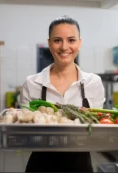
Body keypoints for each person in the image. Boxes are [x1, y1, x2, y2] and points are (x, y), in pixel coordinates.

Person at [20, 15, 105, 172]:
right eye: (57, 40)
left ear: (79, 43)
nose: (64, 47)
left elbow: (97, 129)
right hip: (41, 164)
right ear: (49, 43)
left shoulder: (93, 83)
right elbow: (25, 133)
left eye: (71, 40)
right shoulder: (32, 83)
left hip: (80, 164)